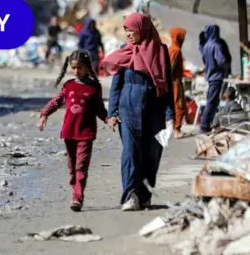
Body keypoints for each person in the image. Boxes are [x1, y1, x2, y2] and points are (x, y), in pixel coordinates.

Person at [104, 13, 175, 211]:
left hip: (155, 111)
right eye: (125, 29)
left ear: (142, 29)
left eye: (131, 29)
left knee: (152, 154)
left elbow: (168, 86)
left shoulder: (160, 51)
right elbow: (116, 85)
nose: (127, 33)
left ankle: (144, 195)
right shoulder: (124, 51)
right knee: (130, 152)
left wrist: (170, 116)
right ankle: (130, 196)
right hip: (128, 109)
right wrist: (112, 112)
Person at [38, 49, 108, 212]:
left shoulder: (94, 87)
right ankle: (75, 185)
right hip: (69, 132)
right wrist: (44, 115)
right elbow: (56, 102)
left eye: (80, 68)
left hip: (86, 133)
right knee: (72, 168)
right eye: (74, 68)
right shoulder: (68, 85)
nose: (77, 71)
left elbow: (99, 108)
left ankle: (77, 197)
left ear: (87, 67)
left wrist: (108, 118)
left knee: (81, 167)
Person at [200, 24, 231, 133]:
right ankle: (204, 125)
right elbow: (221, 61)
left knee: (212, 100)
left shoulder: (206, 45)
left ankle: (208, 123)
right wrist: (226, 66)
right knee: (212, 102)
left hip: (210, 76)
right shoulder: (216, 45)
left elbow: (204, 60)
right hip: (217, 77)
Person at [168, 27, 187, 139]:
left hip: (174, 81)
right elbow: (170, 67)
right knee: (179, 105)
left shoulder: (171, 48)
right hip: (175, 83)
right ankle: (177, 129)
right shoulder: (176, 50)